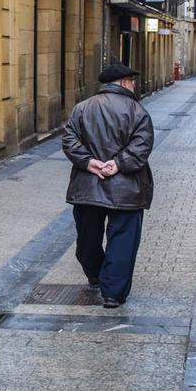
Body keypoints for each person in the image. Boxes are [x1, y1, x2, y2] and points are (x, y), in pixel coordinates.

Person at [62, 63, 154, 309]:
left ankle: (94, 273)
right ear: (124, 83)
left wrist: (89, 162)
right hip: (128, 189)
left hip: (87, 187)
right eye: (132, 82)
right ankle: (112, 293)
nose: (134, 86)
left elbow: (69, 139)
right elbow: (142, 146)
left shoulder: (82, 108)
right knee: (123, 238)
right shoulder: (138, 111)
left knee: (88, 238)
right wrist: (118, 164)